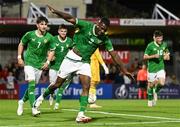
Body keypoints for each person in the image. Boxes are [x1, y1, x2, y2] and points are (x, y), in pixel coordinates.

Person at [33, 5, 134, 123]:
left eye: (104, 30)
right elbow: (70, 18)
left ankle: (80, 114)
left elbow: (114, 55)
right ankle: (39, 100)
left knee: (86, 86)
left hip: (84, 62)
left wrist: (124, 70)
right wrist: (57, 12)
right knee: (57, 84)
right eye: (101, 27)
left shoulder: (104, 39)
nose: (102, 30)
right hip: (71, 59)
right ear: (98, 23)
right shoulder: (86, 26)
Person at [16, 16, 55, 116]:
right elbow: (21, 44)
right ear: (37, 25)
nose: (44, 26)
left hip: (39, 65)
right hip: (29, 62)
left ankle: (21, 102)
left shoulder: (49, 37)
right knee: (32, 84)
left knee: (31, 87)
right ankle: (34, 108)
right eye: (41, 24)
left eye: (45, 24)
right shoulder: (29, 34)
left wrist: (48, 62)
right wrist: (19, 57)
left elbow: (52, 51)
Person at [48, 24, 74, 110]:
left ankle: (57, 103)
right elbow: (48, 50)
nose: (63, 33)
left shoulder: (69, 41)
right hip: (53, 66)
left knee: (62, 86)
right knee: (53, 84)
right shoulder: (53, 39)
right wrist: (49, 56)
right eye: (62, 31)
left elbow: (72, 52)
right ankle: (51, 95)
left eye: (65, 31)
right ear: (59, 31)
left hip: (64, 67)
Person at [144, 30, 170, 107]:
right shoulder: (150, 46)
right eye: (158, 38)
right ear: (154, 38)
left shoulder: (164, 44)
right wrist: (153, 56)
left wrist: (166, 57)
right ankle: (150, 99)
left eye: (161, 38)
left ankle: (156, 91)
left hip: (161, 67)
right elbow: (145, 57)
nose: (160, 40)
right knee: (150, 85)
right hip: (152, 68)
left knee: (162, 83)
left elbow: (167, 55)